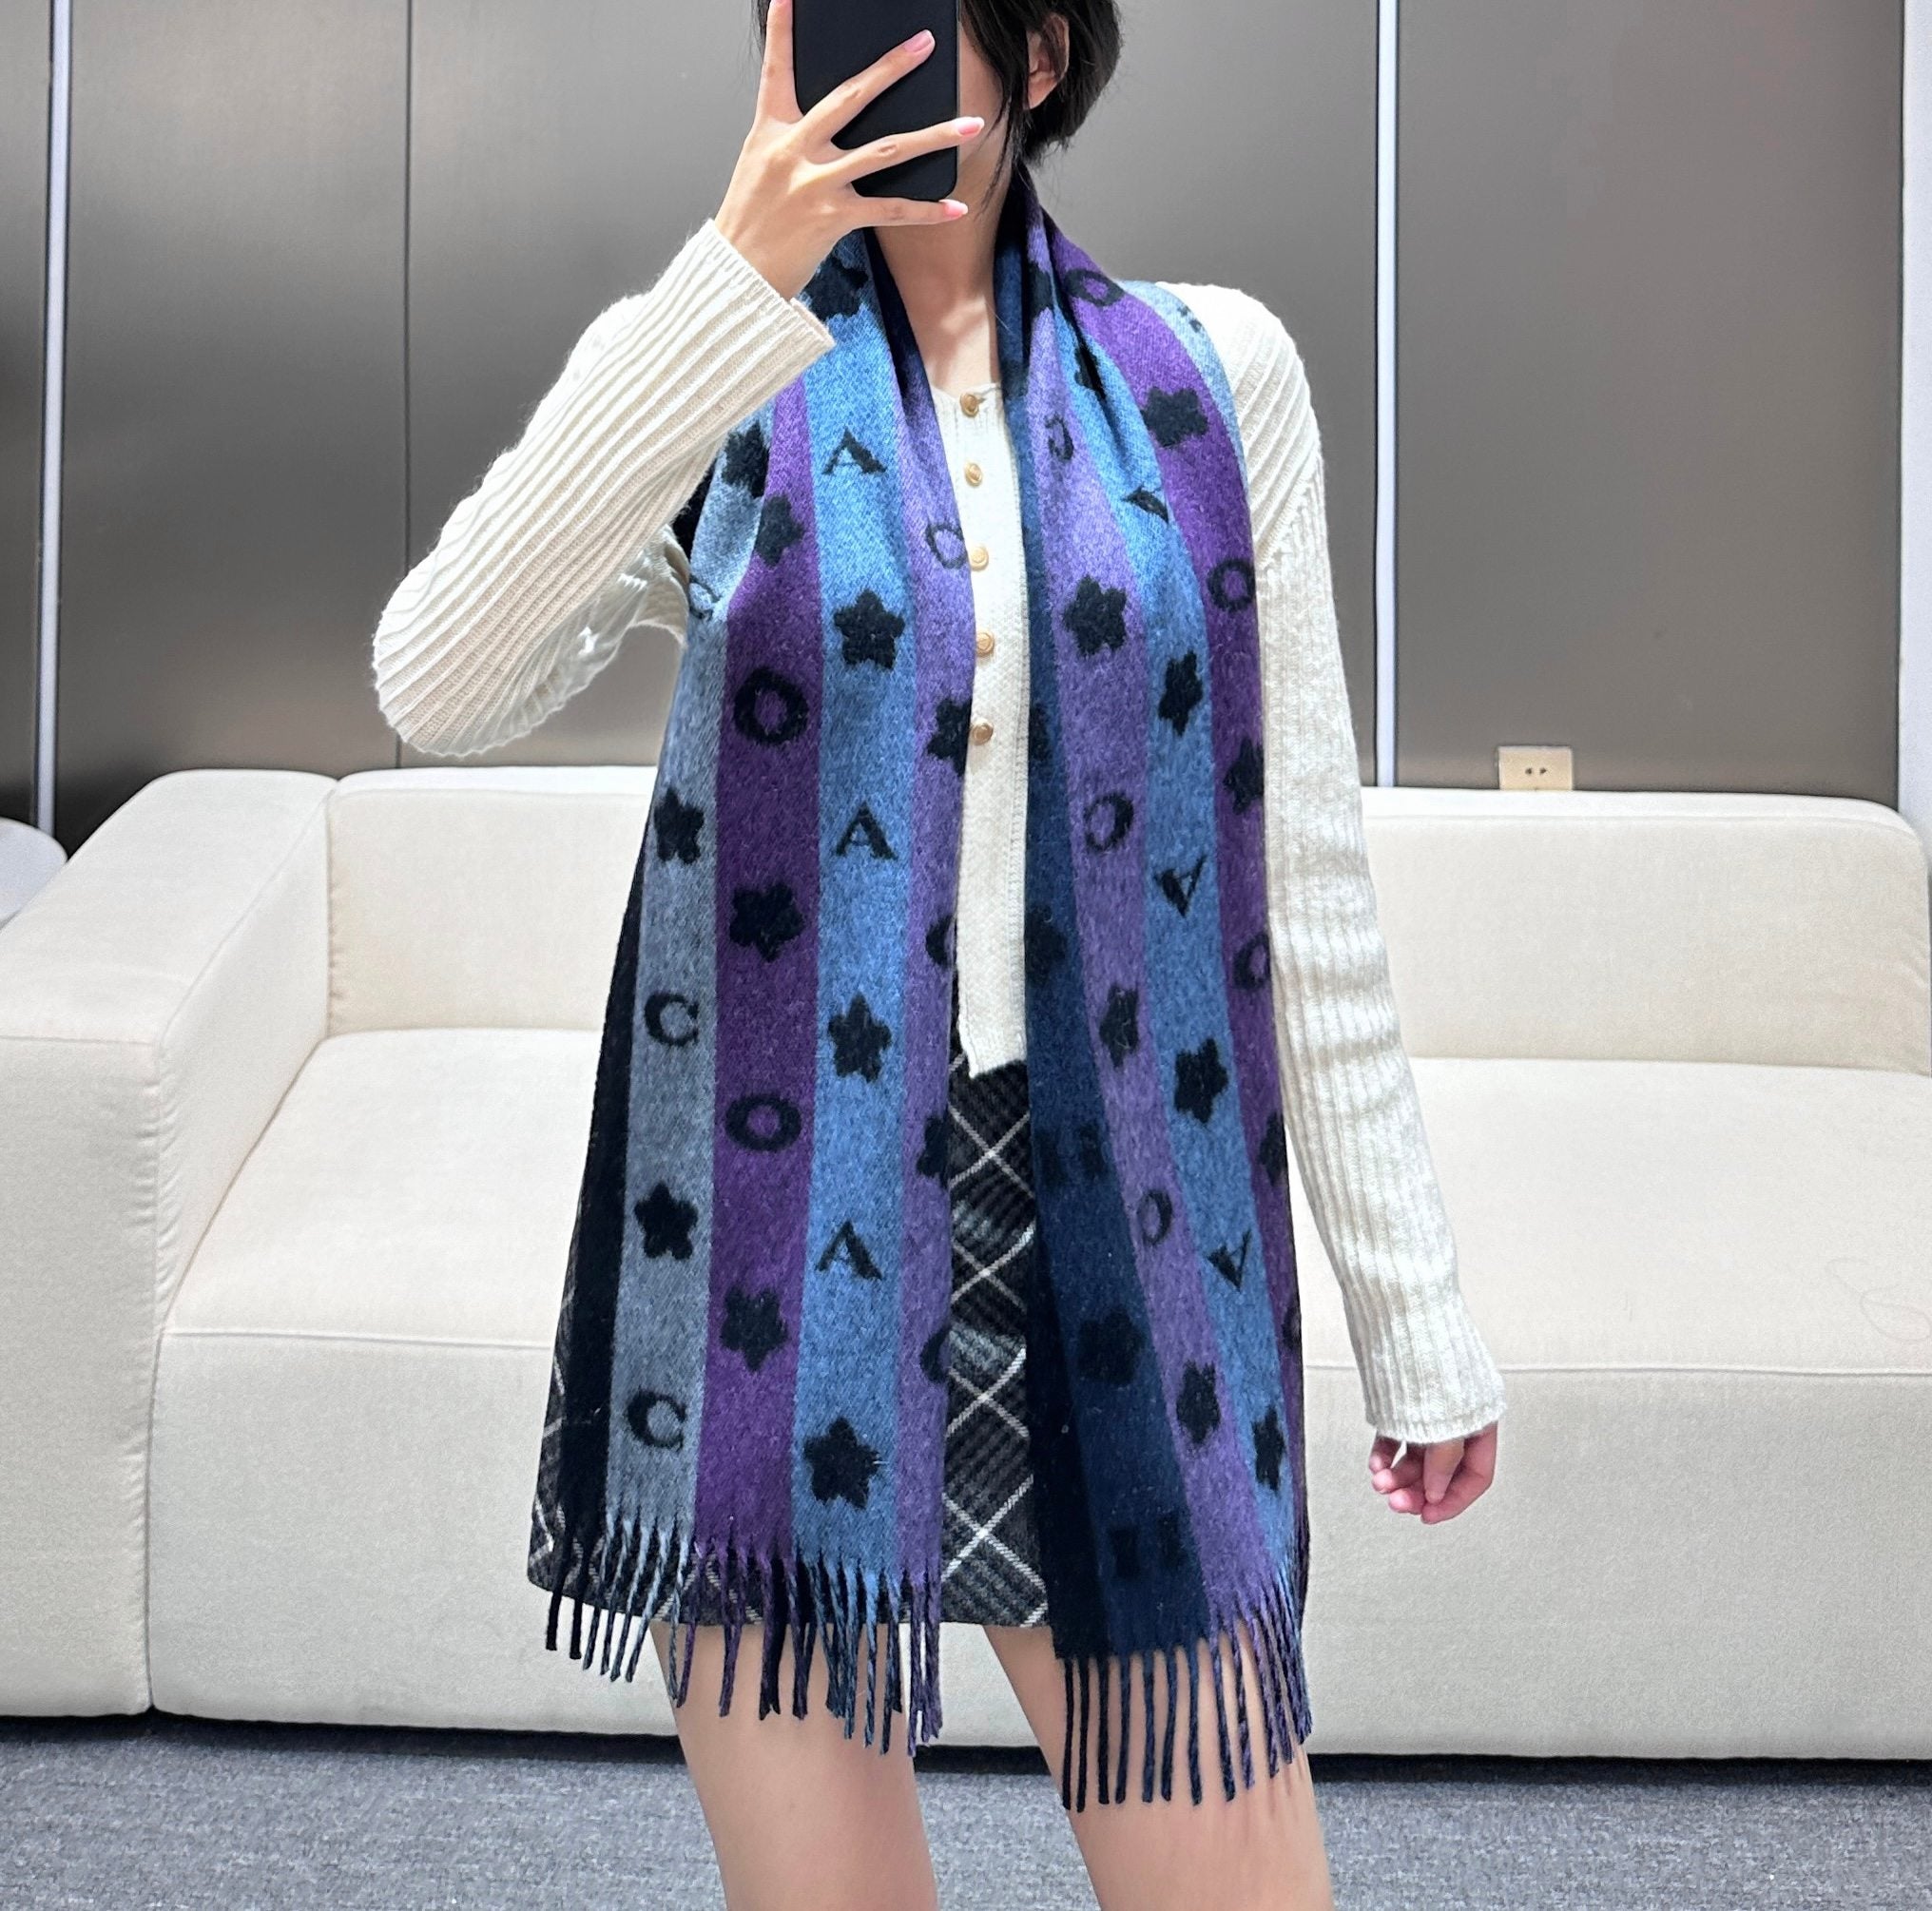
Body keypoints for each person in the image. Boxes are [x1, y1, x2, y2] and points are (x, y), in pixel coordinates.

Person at [371, 4, 1506, 1905]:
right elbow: (435, 680)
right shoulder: (708, 368)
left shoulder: (1217, 376)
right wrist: (728, 278)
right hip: (776, 1251)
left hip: (1120, 1242)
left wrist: (1415, 1314)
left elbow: (1295, 872)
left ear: (1034, 58)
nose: (850, 71)